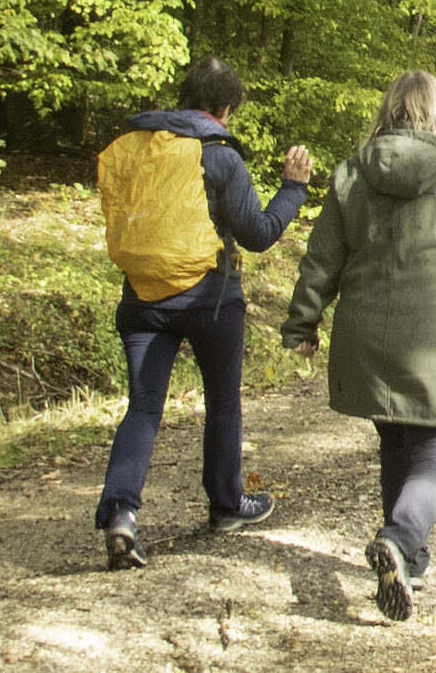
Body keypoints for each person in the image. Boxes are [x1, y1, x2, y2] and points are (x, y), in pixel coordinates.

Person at [283, 71, 436, 622]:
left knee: (395, 443)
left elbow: (321, 260)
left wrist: (302, 324)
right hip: (434, 341)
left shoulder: (351, 173)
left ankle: (410, 563)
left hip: (364, 339)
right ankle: (400, 538)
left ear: (387, 111)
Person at [93, 57, 310, 571]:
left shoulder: (137, 143)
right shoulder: (218, 156)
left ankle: (122, 513)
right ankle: (227, 504)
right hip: (209, 300)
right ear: (225, 108)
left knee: (143, 409)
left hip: (143, 295)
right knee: (223, 404)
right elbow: (257, 234)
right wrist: (293, 188)